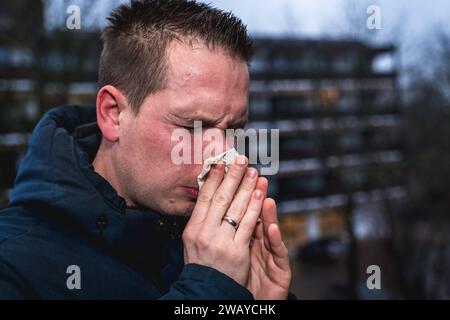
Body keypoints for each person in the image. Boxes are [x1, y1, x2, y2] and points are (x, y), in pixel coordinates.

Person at [0, 0, 292, 299]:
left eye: (234, 129)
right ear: (113, 114)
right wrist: (209, 287)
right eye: (193, 126)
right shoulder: (13, 267)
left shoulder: (213, 247)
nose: (225, 156)